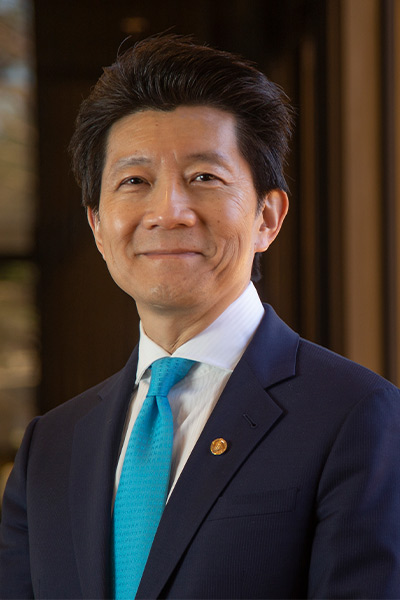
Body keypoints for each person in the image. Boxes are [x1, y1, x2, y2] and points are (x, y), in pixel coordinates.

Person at [1, 34, 400, 600]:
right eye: (134, 182)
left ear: (267, 215)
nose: (168, 212)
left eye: (204, 178)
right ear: (96, 224)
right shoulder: (52, 446)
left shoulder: (356, 416)